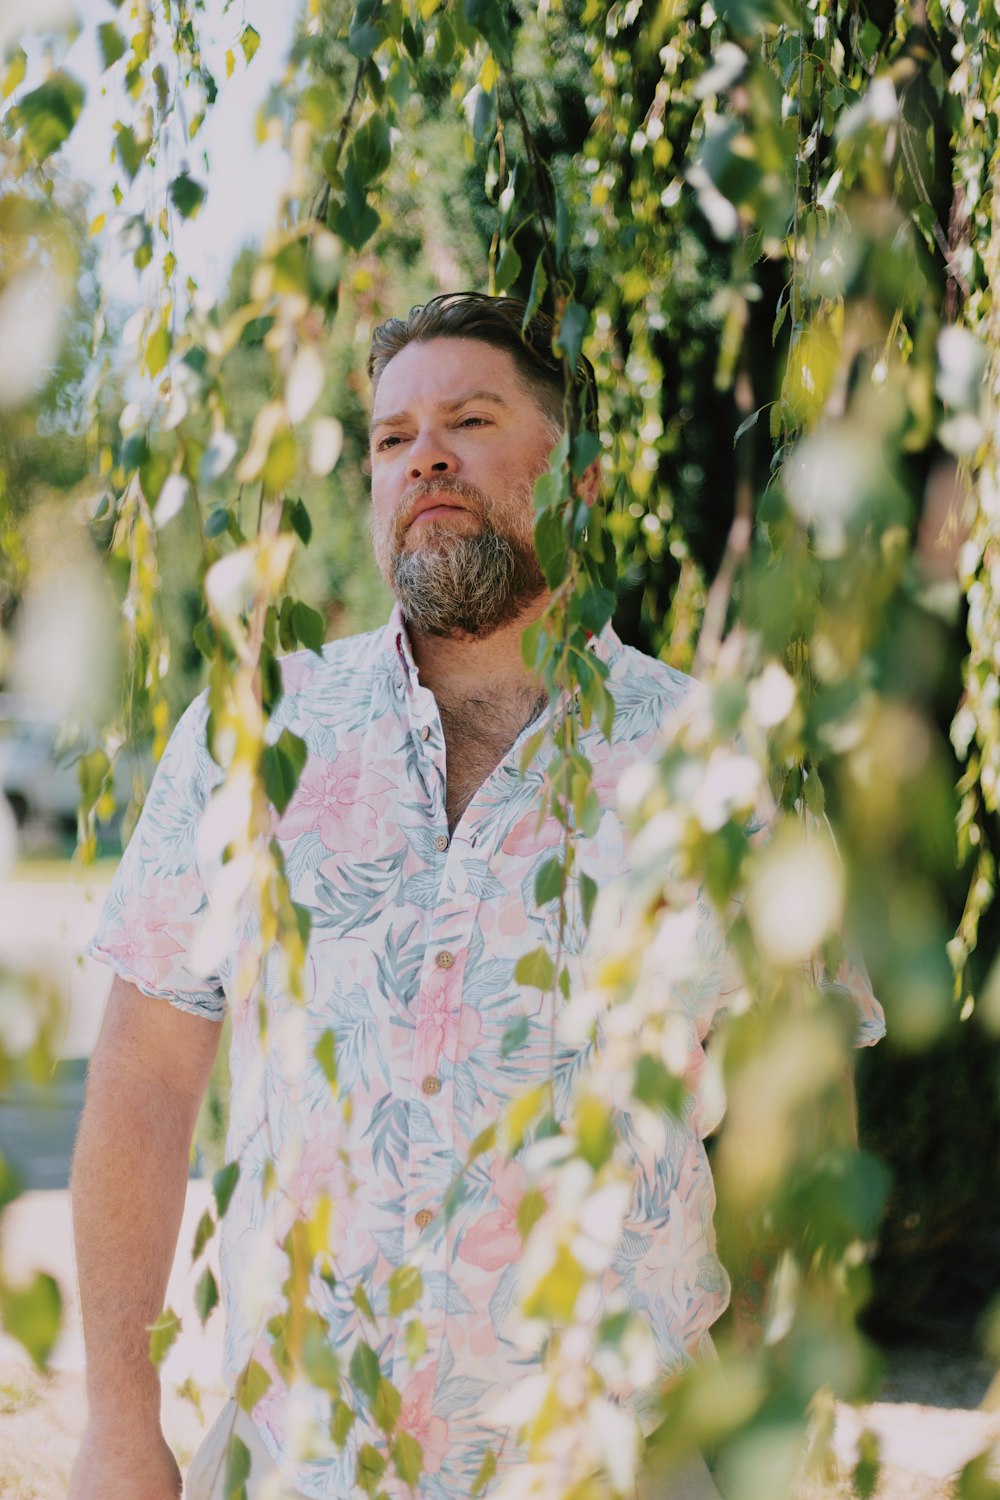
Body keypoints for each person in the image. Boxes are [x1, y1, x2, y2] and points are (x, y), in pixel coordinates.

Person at [68, 293, 885, 1500]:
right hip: (305, 1460)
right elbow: (143, 1081)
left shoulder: (719, 769)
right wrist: (118, 1426)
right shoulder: (255, 739)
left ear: (578, 479)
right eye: (392, 438)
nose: (425, 456)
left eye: (469, 418)